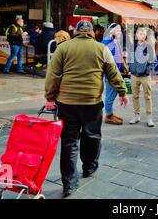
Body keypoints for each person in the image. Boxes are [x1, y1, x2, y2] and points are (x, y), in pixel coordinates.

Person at [44, 20, 128, 197]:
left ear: (75, 32)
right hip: (92, 102)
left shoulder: (63, 48)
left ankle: (69, 183)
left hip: (66, 103)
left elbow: (53, 75)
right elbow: (113, 72)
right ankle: (89, 167)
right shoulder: (101, 48)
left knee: (69, 141)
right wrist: (122, 91)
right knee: (92, 136)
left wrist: (50, 97)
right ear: (92, 33)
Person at [127, 28, 156, 127]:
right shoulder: (132, 46)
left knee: (148, 96)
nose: (142, 35)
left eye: (143, 34)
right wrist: (131, 68)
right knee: (135, 96)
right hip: (134, 75)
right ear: (136, 34)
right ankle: (136, 116)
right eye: (140, 33)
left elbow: (153, 60)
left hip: (145, 76)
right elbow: (129, 59)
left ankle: (149, 117)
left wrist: (148, 70)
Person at [102, 23, 125, 125]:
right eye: (117, 30)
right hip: (110, 72)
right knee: (110, 94)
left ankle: (110, 113)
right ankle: (108, 115)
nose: (119, 32)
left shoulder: (116, 41)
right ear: (111, 31)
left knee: (113, 93)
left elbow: (119, 55)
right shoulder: (106, 42)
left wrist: (123, 67)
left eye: (120, 30)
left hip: (117, 71)